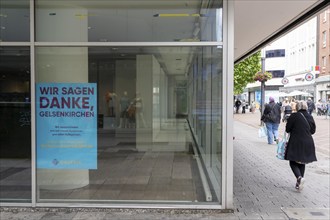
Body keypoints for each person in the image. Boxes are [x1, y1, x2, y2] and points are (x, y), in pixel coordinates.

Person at [285, 100, 317, 191]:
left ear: (297, 107)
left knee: (293, 161)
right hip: (308, 142)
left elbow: (288, 129)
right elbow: (313, 131)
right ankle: (299, 182)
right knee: (302, 162)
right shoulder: (310, 116)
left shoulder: (294, 116)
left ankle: (299, 177)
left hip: (296, 141)